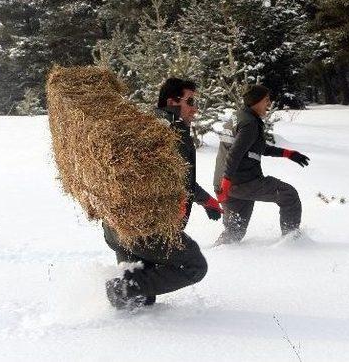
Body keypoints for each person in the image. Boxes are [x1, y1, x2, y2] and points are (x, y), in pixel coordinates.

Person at [103, 78, 223, 309]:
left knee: (141, 298)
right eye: (190, 101)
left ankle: (116, 319)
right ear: (171, 101)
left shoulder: (143, 124)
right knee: (194, 266)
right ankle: (117, 289)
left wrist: (205, 200)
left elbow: (169, 179)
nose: (195, 108)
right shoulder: (170, 132)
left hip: (117, 226)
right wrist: (206, 201)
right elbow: (181, 181)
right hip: (146, 229)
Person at [213, 84, 309, 245]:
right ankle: (292, 242)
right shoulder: (250, 123)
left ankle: (217, 256)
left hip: (227, 183)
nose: (269, 104)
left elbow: (255, 146)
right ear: (256, 101)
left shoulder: (239, 116)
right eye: (266, 100)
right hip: (240, 182)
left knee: (234, 233)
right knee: (288, 195)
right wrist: (226, 184)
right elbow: (234, 154)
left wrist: (288, 154)